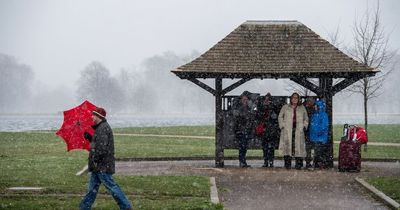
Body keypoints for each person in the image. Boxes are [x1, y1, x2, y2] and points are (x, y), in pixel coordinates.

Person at [80, 107, 133, 210]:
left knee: (112, 188)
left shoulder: (103, 129)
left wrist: (95, 159)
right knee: (92, 190)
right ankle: (84, 207)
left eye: (93, 115)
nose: (92, 117)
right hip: (97, 167)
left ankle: (126, 207)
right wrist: (90, 137)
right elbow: (98, 144)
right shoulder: (99, 128)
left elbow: (102, 148)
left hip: (102, 166)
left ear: (98, 116)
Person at [278, 93, 309, 169]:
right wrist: (282, 125)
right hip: (287, 130)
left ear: (299, 99)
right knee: (288, 146)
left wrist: (304, 126)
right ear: (291, 99)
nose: (295, 99)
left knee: (298, 147)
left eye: (296, 98)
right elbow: (280, 117)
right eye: (293, 98)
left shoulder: (302, 108)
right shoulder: (285, 107)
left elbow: (306, 119)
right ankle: (287, 164)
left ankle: (298, 164)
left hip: (298, 130)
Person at [256, 93, 280, 167]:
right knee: (265, 147)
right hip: (264, 130)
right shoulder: (261, 107)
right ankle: (266, 161)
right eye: (265, 99)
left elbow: (275, 118)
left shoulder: (273, 107)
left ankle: (271, 161)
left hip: (271, 130)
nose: (266, 101)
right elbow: (258, 117)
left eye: (268, 99)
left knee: (271, 147)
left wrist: (270, 108)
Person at [234, 91, 253, 167]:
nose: (245, 101)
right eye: (243, 99)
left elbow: (249, 118)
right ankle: (242, 161)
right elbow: (238, 117)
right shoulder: (238, 107)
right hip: (240, 130)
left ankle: (243, 161)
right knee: (242, 146)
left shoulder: (248, 108)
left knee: (244, 147)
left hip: (246, 130)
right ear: (241, 99)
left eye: (246, 99)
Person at [309, 100, 329, 169]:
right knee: (316, 152)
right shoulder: (314, 115)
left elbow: (324, 126)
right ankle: (316, 164)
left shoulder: (323, 115)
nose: (315, 107)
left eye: (316, 106)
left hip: (320, 137)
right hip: (315, 137)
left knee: (319, 152)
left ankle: (319, 164)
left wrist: (317, 133)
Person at [303, 97, 315, 169]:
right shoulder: (311, 110)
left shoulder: (307, 110)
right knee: (308, 148)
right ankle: (308, 162)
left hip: (310, 131)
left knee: (309, 148)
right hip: (309, 131)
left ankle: (309, 162)